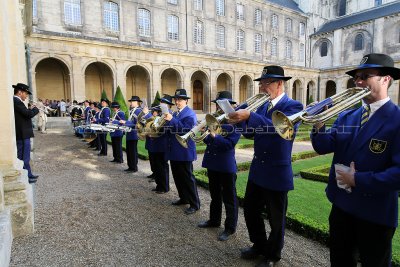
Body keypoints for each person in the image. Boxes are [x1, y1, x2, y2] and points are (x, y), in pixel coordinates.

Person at [310, 53, 400, 267]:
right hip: (341, 206)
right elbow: (323, 146)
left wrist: (358, 179)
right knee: (340, 261)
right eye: (356, 78)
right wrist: (318, 123)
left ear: (386, 79)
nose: (358, 82)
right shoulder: (346, 116)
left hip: (375, 213)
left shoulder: (397, 119)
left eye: (365, 76)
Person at [228, 66, 303, 266]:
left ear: (280, 83)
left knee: (276, 219)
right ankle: (259, 245)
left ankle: (272, 255)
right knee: (251, 211)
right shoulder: (262, 106)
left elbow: (277, 129)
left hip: (277, 171)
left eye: (266, 82)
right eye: (261, 83)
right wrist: (238, 120)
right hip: (258, 169)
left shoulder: (293, 106)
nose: (261, 87)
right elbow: (251, 133)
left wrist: (249, 116)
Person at [198, 91, 241, 241]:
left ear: (229, 105)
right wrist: (206, 134)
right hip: (213, 164)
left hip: (226, 166)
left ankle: (230, 228)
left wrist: (214, 135)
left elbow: (229, 145)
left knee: (229, 199)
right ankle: (214, 220)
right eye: (217, 104)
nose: (218, 107)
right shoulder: (215, 119)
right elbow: (209, 142)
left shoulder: (235, 122)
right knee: (215, 196)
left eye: (221, 104)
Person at [164, 89, 200, 215]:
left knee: (188, 178)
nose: (177, 101)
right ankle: (183, 198)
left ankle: (195, 204)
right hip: (174, 150)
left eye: (180, 99)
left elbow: (185, 130)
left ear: (186, 100)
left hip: (184, 151)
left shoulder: (190, 114)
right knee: (178, 177)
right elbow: (172, 128)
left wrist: (171, 120)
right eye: (176, 99)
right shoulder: (176, 113)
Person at [13, 83, 40, 183]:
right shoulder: (17, 101)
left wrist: (30, 109)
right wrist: (35, 109)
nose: (26, 96)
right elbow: (27, 114)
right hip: (23, 133)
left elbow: (24, 114)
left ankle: (28, 174)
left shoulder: (17, 101)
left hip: (22, 133)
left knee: (22, 155)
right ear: (20, 92)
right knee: (25, 156)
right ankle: (27, 176)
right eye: (26, 93)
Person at [146, 96, 173, 193]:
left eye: (163, 103)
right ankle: (159, 185)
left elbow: (167, 130)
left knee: (162, 167)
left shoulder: (170, 115)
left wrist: (154, 133)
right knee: (157, 167)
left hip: (163, 144)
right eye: (161, 102)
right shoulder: (161, 115)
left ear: (168, 105)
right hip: (156, 144)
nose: (161, 104)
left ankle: (164, 187)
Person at [119, 96, 146, 172]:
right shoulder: (132, 110)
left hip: (134, 133)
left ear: (136, 102)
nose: (130, 103)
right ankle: (130, 166)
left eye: (132, 101)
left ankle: (134, 167)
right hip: (129, 132)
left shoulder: (139, 111)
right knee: (129, 151)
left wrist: (125, 122)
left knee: (133, 151)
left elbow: (136, 123)